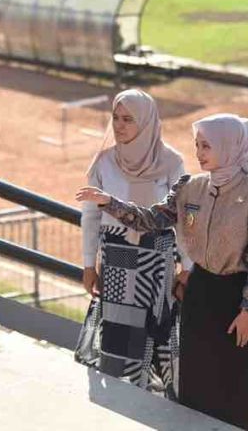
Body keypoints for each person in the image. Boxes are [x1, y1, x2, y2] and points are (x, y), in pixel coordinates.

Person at [77, 114, 248, 431]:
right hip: (199, 292)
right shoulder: (190, 188)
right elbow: (151, 220)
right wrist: (109, 202)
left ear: (229, 147)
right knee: (195, 377)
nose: (199, 152)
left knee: (233, 382)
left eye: (207, 146)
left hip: (235, 300)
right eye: (197, 144)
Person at [76, 89, 190, 397]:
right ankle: (121, 398)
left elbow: (182, 219)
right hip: (116, 264)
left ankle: (155, 401)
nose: (119, 125)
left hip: (157, 265)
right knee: (118, 337)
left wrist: (187, 267)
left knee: (156, 335)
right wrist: (88, 265)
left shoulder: (172, 163)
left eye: (128, 119)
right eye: (115, 117)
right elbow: (90, 219)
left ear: (146, 121)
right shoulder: (103, 163)